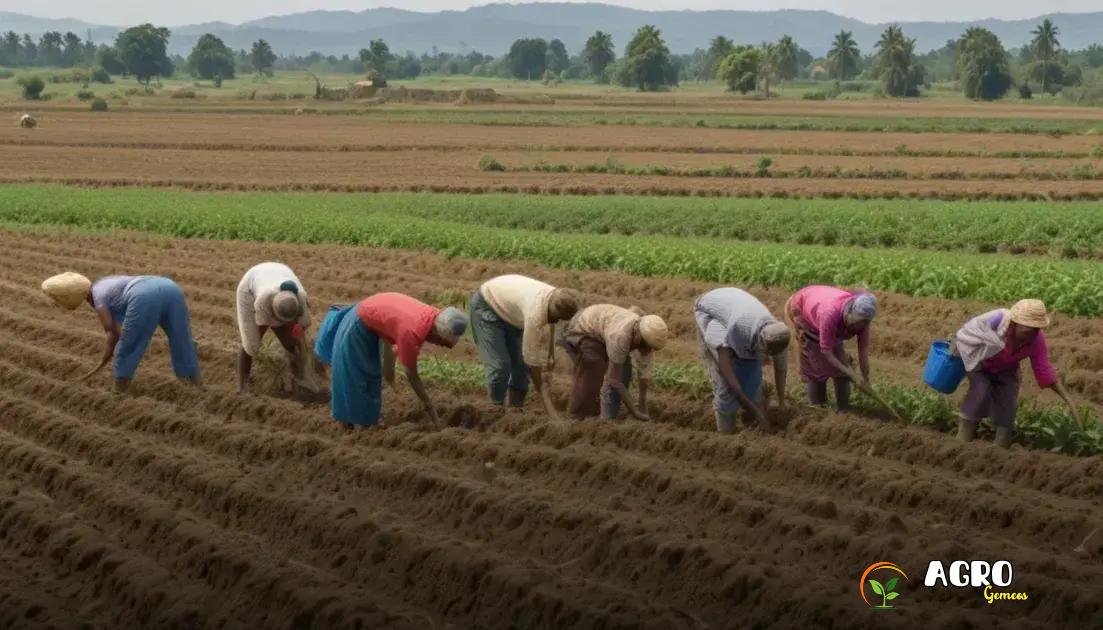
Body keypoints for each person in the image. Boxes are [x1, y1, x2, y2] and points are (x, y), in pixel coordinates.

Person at [313, 292, 468, 429]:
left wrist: (389, 374)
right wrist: (429, 406)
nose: (439, 345)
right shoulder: (411, 332)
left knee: (372, 375)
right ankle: (348, 425)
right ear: (437, 333)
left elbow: (393, 341)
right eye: (441, 342)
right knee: (356, 375)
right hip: (357, 323)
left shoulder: (432, 316)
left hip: (372, 316)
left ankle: (366, 422)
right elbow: (412, 375)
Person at [41, 272, 200, 392]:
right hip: (169, 287)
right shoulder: (104, 283)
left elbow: (112, 330)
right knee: (181, 338)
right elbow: (117, 328)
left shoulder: (98, 297)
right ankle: (192, 380)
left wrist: (106, 357)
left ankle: (120, 388)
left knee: (129, 344)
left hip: (144, 295)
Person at [954, 299, 1077, 448]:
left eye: (1037, 330)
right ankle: (960, 444)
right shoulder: (996, 323)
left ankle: (999, 453)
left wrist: (1069, 401)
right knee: (980, 394)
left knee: (1007, 408)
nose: (1032, 335)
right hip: (980, 365)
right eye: (1029, 330)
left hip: (1007, 371)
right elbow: (968, 336)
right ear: (1015, 322)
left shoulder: (1036, 341)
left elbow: (1043, 370)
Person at [470, 274, 579, 419]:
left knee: (520, 366)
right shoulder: (535, 315)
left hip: (511, 312)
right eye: (556, 317)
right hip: (488, 306)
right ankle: (495, 411)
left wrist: (550, 354)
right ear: (551, 309)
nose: (556, 320)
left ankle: (515, 411)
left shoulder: (557, 296)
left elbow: (551, 322)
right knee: (500, 366)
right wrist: (541, 390)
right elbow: (532, 360)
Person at [694, 288, 791, 433]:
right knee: (724, 385)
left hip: (734, 304)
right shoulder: (737, 330)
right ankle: (725, 430)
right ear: (760, 342)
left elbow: (781, 370)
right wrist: (757, 413)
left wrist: (782, 402)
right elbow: (726, 371)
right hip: (709, 309)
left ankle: (753, 410)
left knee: (750, 374)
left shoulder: (778, 335)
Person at [559, 304, 669, 421]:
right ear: (638, 332)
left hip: (606, 329)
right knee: (594, 365)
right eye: (644, 345)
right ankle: (577, 416)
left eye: (649, 347)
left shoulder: (646, 341)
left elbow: (644, 376)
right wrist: (635, 411)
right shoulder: (621, 335)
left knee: (625, 372)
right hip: (583, 328)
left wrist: (642, 405)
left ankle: (609, 417)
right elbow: (613, 380)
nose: (645, 350)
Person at [785, 285, 876, 410]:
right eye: (857, 322)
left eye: (863, 323)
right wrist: (852, 374)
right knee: (817, 366)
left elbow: (863, 351)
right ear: (849, 312)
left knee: (842, 369)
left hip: (824, 307)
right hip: (804, 310)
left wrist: (865, 380)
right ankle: (818, 407)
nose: (859, 326)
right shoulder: (829, 314)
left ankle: (844, 408)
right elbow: (827, 352)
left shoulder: (864, 320)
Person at [235, 262, 312, 393]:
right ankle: (243, 386)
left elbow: (300, 333)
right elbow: (263, 326)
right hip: (249, 287)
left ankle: (299, 382)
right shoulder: (262, 302)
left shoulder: (301, 298)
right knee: (251, 345)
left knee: (292, 344)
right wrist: (272, 361)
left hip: (280, 271)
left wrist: (296, 346)